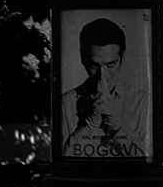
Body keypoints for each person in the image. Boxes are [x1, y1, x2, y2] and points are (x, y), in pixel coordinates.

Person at [59, 17, 150, 160]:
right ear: (83, 58)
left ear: (122, 58)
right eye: (94, 66)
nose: (102, 77)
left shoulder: (144, 102)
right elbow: (63, 161)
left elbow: (147, 159)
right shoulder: (66, 103)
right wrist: (88, 126)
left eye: (110, 64)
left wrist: (118, 126)